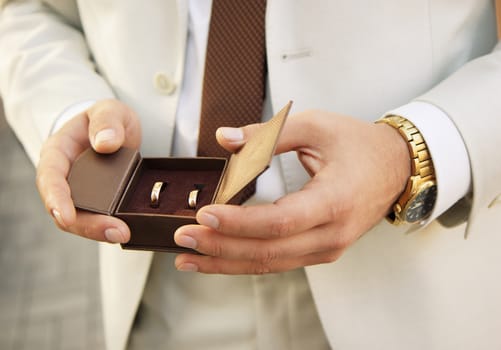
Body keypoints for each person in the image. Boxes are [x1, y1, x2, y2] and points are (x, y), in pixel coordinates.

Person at [1, 0, 501, 349]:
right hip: (165, 277)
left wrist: (413, 149)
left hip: (408, 275)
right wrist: (70, 109)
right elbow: (29, 10)